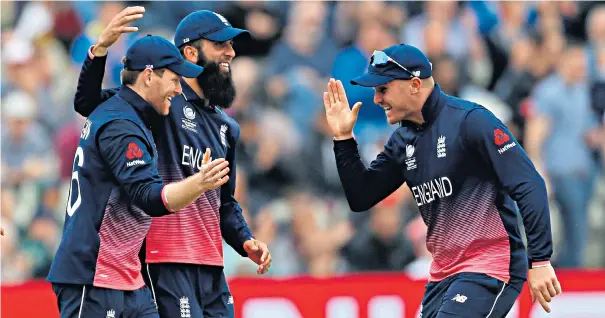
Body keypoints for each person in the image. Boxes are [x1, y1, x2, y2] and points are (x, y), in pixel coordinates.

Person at [323, 43, 561, 317]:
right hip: (442, 274)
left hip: (490, 266)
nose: (377, 99)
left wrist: (540, 260)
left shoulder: (471, 122)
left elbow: (529, 183)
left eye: (383, 89)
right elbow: (361, 196)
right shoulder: (402, 141)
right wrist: (343, 140)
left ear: (414, 85)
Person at [73, 7, 272, 317]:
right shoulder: (158, 102)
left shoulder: (226, 127)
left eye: (231, 45)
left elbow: (224, 202)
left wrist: (245, 239)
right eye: (220, 44)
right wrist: (99, 51)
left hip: (211, 264)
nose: (231, 53)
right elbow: (88, 103)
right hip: (164, 261)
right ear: (190, 52)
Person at [47, 35, 232, 317]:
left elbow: (85, 100)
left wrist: (98, 52)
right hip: (94, 275)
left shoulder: (127, 107)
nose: (178, 88)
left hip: (129, 279)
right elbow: (149, 198)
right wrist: (200, 183)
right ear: (148, 76)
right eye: (173, 79)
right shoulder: (121, 125)